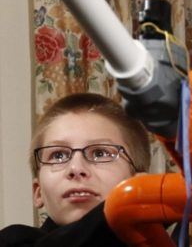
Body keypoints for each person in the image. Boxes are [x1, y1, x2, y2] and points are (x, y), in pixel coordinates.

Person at [0, 93, 152, 246]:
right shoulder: (14, 241)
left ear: (138, 179)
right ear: (38, 191)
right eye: (58, 155)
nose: (76, 168)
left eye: (100, 153)